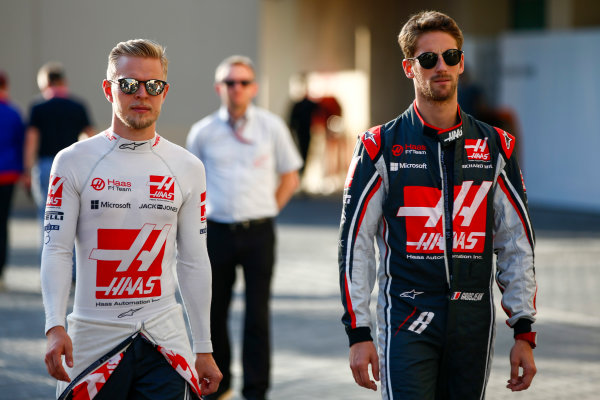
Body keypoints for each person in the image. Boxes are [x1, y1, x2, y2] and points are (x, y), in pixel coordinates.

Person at [338, 11, 537, 399]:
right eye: (428, 59)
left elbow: (516, 242)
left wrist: (524, 330)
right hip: (408, 318)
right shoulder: (378, 147)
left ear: (461, 62)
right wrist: (359, 332)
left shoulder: (497, 146)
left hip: (474, 320)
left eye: (450, 56)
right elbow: (355, 245)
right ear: (409, 68)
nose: (440, 67)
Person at [41, 38, 222, 399]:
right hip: (92, 339)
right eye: (128, 84)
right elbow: (57, 249)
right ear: (109, 89)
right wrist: (54, 326)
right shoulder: (72, 161)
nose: (142, 94)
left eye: (152, 85)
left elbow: (193, 261)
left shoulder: (187, 167)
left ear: (164, 92)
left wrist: (203, 347)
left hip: (165, 341)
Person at [186, 55, 302, 400]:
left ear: (254, 87)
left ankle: (256, 390)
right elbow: (191, 186)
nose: (236, 88)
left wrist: (267, 209)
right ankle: (220, 385)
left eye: (243, 82)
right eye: (229, 82)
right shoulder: (203, 132)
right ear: (219, 88)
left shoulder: (271, 127)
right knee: (213, 311)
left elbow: (290, 176)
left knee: (257, 316)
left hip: (258, 234)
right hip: (216, 232)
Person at [24, 61, 94, 224]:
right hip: (73, 165)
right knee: (73, 213)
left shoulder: (38, 107)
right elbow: (89, 136)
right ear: (64, 82)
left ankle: (47, 249)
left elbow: (32, 140)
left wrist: (27, 169)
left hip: (46, 165)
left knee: (46, 214)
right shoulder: (78, 106)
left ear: (45, 83)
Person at [0, 70, 25, 290]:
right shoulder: (14, 113)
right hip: (7, 175)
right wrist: (24, 171)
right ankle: (1, 274)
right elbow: (21, 143)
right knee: (2, 223)